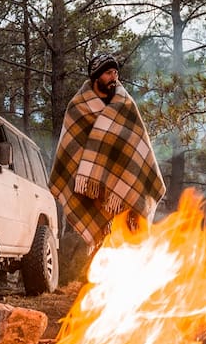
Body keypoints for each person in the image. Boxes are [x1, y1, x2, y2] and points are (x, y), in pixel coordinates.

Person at [49, 52, 166, 252]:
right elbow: (70, 151)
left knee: (128, 240)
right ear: (96, 76)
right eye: (109, 73)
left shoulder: (125, 105)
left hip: (124, 184)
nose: (114, 78)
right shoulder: (77, 108)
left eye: (115, 73)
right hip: (90, 191)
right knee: (102, 241)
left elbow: (137, 145)